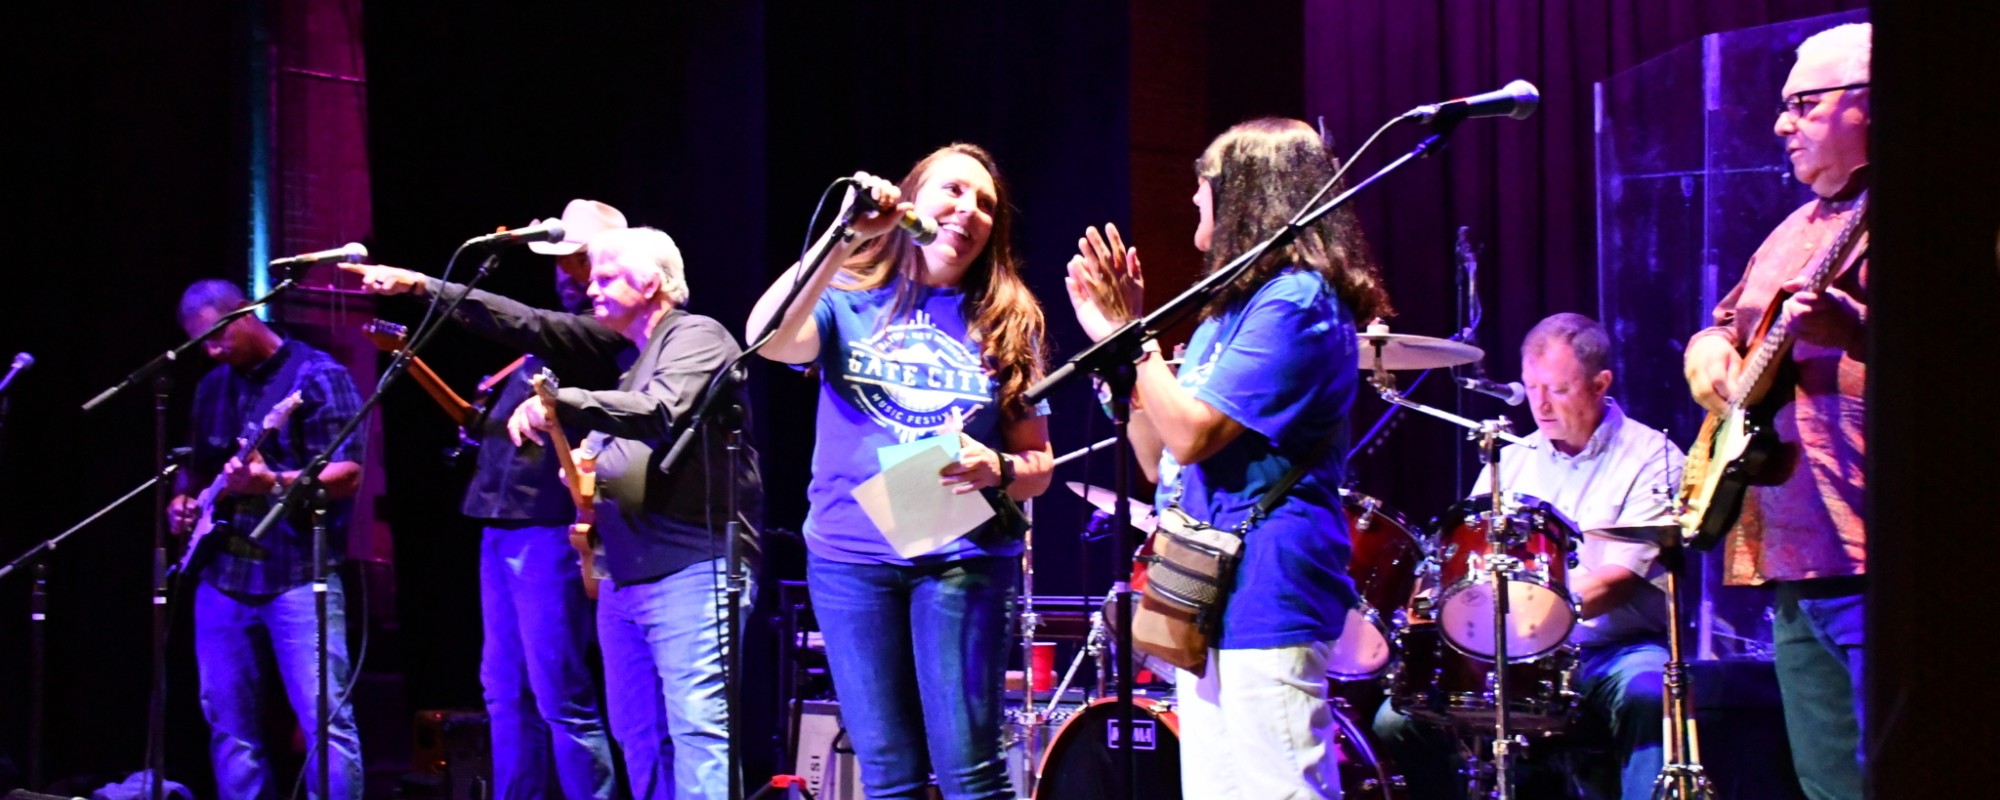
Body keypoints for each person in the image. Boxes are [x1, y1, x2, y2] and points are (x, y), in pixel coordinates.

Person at [346, 225, 763, 800]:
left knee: (697, 733)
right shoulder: (633, 358)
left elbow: (662, 410)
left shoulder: (697, 335)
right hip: (626, 572)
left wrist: (554, 405)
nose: (591, 287)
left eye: (607, 275)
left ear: (651, 282)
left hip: (693, 567)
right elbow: (534, 328)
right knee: (639, 735)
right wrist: (423, 285)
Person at [1066, 117, 1392, 799]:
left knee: (1281, 789)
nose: (1193, 200)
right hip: (1209, 593)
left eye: (1205, 185)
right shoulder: (1225, 314)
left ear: (1248, 193)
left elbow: (1189, 435)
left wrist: (1134, 339)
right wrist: (1122, 365)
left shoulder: (1299, 301)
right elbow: (1156, 456)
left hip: (1267, 587)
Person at [744, 144, 1054, 800]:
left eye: (986, 204)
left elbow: (1039, 468)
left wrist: (997, 465)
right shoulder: (847, 296)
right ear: (912, 199)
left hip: (962, 559)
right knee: (887, 776)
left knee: (972, 774)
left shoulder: (1008, 318)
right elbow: (766, 337)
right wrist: (844, 235)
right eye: (953, 192)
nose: (968, 211)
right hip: (850, 559)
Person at [1372, 313, 1684, 800]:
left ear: (1601, 384)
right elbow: (1458, 558)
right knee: (1398, 719)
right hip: (1512, 655)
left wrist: (1516, 619)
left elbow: (1614, 583)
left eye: (1557, 389)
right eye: (1531, 386)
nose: (1539, 404)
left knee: (1648, 690)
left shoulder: (1652, 457)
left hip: (1612, 650)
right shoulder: (1512, 458)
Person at [1682, 21, 1870, 800]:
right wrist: (1706, 354)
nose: (1780, 123)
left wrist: (1855, 327)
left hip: (1872, 550)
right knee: (1826, 781)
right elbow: (1726, 324)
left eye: (1805, 104)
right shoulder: (1793, 228)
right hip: (1792, 552)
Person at [167, 279, 367, 800]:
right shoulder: (213, 386)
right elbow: (195, 465)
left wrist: (272, 482)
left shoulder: (318, 376)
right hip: (223, 577)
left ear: (244, 315)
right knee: (229, 726)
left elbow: (348, 475)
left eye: (215, 337)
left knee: (326, 723)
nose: (211, 351)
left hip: (297, 574)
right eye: (201, 344)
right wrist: (183, 499)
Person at [458, 199, 623, 799]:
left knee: (559, 692)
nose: (563, 270)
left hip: (549, 527)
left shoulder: (600, 334)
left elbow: (523, 322)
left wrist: (422, 287)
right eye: (558, 260)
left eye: (576, 258)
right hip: (500, 526)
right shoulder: (547, 341)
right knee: (502, 690)